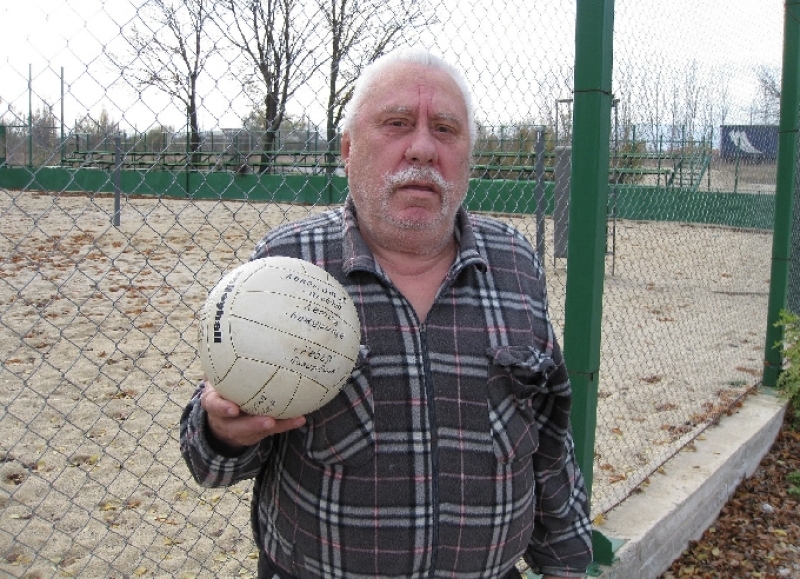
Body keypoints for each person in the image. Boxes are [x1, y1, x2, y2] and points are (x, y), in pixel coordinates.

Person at [180, 47, 593, 579]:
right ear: (349, 149)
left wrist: (566, 564)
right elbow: (208, 463)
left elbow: (551, 433)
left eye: (445, 129)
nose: (422, 148)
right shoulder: (286, 267)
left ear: (468, 156)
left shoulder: (513, 262)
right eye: (396, 123)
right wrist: (223, 430)